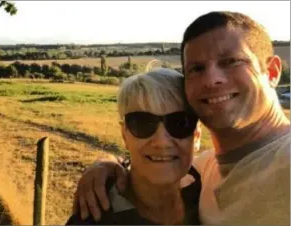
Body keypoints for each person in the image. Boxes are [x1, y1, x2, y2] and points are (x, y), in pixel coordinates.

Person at [71, 11, 290, 225]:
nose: (211, 80)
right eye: (196, 68)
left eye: (231, 61)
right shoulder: (203, 170)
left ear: (271, 72)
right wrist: (107, 167)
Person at [66, 69, 202, 225]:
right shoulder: (94, 218)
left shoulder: (213, 191)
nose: (161, 142)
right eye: (142, 123)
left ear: (197, 135)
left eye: (180, 123)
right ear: (124, 134)